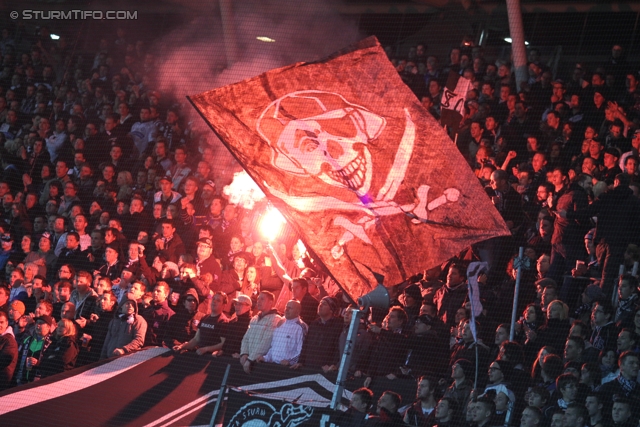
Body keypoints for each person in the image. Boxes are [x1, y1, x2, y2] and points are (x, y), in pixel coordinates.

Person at [293, 296, 342, 370]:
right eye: (320, 303)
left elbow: (338, 348)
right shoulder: (314, 324)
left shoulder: (338, 326)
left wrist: (332, 365)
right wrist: (301, 361)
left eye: (324, 304)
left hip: (325, 369)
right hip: (308, 367)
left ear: (331, 310)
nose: (320, 305)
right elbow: (306, 344)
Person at [173, 291, 229, 356]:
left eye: (218, 300)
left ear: (224, 305)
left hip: (211, 358)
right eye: (213, 299)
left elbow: (223, 344)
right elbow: (196, 339)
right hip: (200, 355)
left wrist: (206, 349)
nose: (214, 301)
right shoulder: (205, 318)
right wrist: (182, 347)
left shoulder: (223, 321)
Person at [239, 291, 282, 373]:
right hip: (247, 362)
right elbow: (246, 338)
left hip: (259, 365)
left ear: (270, 302)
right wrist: (244, 353)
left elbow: (267, 342)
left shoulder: (276, 319)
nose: (258, 301)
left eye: (262, 299)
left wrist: (250, 359)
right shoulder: (254, 318)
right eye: (258, 299)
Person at [257, 300, 307, 366]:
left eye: (290, 308)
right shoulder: (280, 323)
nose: (287, 310)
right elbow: (274, 347)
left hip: (287, 369)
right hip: (272, 366)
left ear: (297, 312)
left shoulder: (301, 327)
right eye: (286, 307)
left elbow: (302, 351)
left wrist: (290, 362)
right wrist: (265, 358)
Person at [101, 295, 147, 359]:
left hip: (128, 360)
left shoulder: (139, 320)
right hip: (110, 359)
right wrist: (102, 359)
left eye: (133, 304)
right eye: (127, 303)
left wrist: (124, 350)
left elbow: (139, 340)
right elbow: (107, 341)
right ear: (121, 305)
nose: (130, 306)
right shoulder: (114, 320)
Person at [141, 282, 175, 346]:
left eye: (158, 291)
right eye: (154, 290)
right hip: (143, 347)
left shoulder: (170, 314)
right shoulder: (147, 310)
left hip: (159, 350)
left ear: (166, 294)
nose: (155, 293)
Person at [0, 310, 17, 390]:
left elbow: (5, 360)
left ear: (7, 323)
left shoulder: (10, 341)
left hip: (3, 384)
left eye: (1, 322)